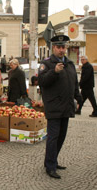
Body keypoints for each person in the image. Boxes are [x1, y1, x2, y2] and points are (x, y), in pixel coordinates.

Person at [38, 35, 82, 179]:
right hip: (54, 106)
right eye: (59, 47)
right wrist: (54, 72)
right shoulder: (47, 64)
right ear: (53, 48)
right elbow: (42, 82)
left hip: (66, 106)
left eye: (64, 47)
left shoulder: (70, 64)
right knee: (53, 137)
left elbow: (74, 83)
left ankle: (52, 160)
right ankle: (50, 167)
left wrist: (79, 98)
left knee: (61, 137)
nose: (62, 50)